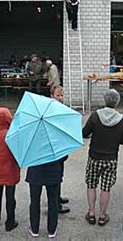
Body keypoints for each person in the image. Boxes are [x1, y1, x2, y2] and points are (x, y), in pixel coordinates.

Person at [82, 89, 123, 226]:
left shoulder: (95, 116)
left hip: (94, 156)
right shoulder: (121, 119)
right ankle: (102, 216)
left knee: (91, 185)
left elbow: (84, 133)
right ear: (117, 102)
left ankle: (91, 213)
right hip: (111, 158)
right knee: (106, 188)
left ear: (104, 100)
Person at [26, 158, 63, 238]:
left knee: (34, 201)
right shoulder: (56, 144)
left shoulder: (32, 145)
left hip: (35, 171)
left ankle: (34, 229)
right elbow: (64, 155)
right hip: (53, 171)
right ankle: (52, 230)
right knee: (53, 201)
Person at [50, 86, 70, 214]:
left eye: (62, 95)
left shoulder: (62, 108)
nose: (60, 98)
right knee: (55, 176)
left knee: (60, 174)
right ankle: (55, 203)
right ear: (52, 95)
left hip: (61, 146)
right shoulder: (51, 109)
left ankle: (57, 197)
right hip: (55, 147)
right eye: (58, 95)